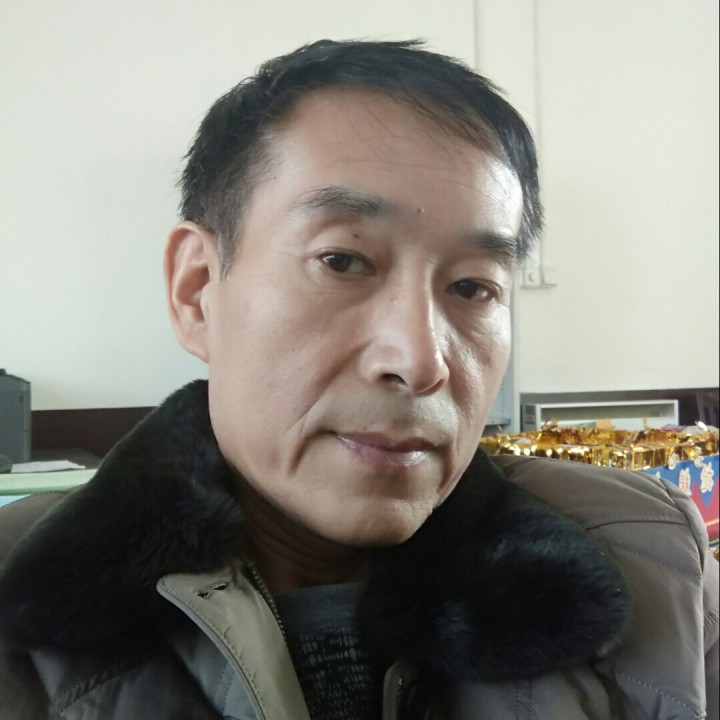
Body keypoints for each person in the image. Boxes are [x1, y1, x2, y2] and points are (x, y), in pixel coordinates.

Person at [0, 39, 716, 720]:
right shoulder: (20, 606)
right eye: (342, 261)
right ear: (197, 292)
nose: (420, 360)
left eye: (472, 287)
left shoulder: (656, 561)